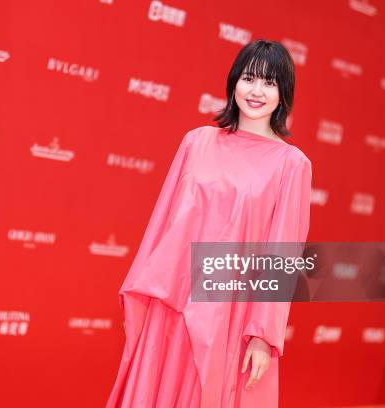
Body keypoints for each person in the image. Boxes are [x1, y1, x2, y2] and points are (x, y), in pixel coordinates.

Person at [106, 39, 312, 407]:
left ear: (284, 94)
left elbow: (281, 256)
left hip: (230, 315)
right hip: (172, 304)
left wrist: (263, 336)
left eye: (270, 82)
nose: (257, 91)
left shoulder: (291, 164)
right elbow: (162, 223)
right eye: (250, 78)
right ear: (234, 82)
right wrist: (143, 290)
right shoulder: (197, 142)